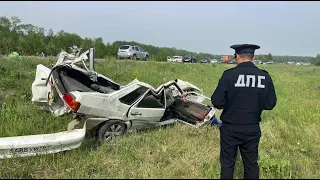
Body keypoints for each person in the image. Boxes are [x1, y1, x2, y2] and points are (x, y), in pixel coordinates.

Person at [211, 44, 277, 179]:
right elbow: (270, 104)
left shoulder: (229, 75)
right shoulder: (264, 76)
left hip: (230, 128)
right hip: (252, 127)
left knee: (227, 164)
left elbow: (217, 102)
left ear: (237, 56)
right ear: (253, 57)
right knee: (251, 164)